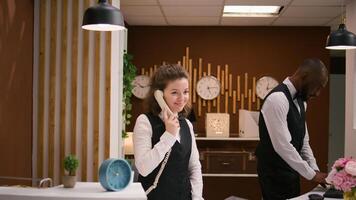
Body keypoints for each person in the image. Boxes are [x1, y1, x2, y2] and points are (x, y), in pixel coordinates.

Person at [255, 58, 329, 200]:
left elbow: (304, 141)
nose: (317, 93)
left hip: (291, 172)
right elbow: (282, 146)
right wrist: (312, 175)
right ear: (304, 77)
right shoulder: (277, 99)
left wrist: (314, 169)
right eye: (317, 87)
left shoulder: (302, 102)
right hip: (273, 174)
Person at [133, 64, 203, 200]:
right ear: (159, 94)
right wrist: (169, 136)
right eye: (174, 92)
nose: (182, 98)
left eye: (186, 91)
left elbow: (194, 167)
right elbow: (143, 168)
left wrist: (197, 197)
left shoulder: (187, 124)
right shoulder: (145, 122)